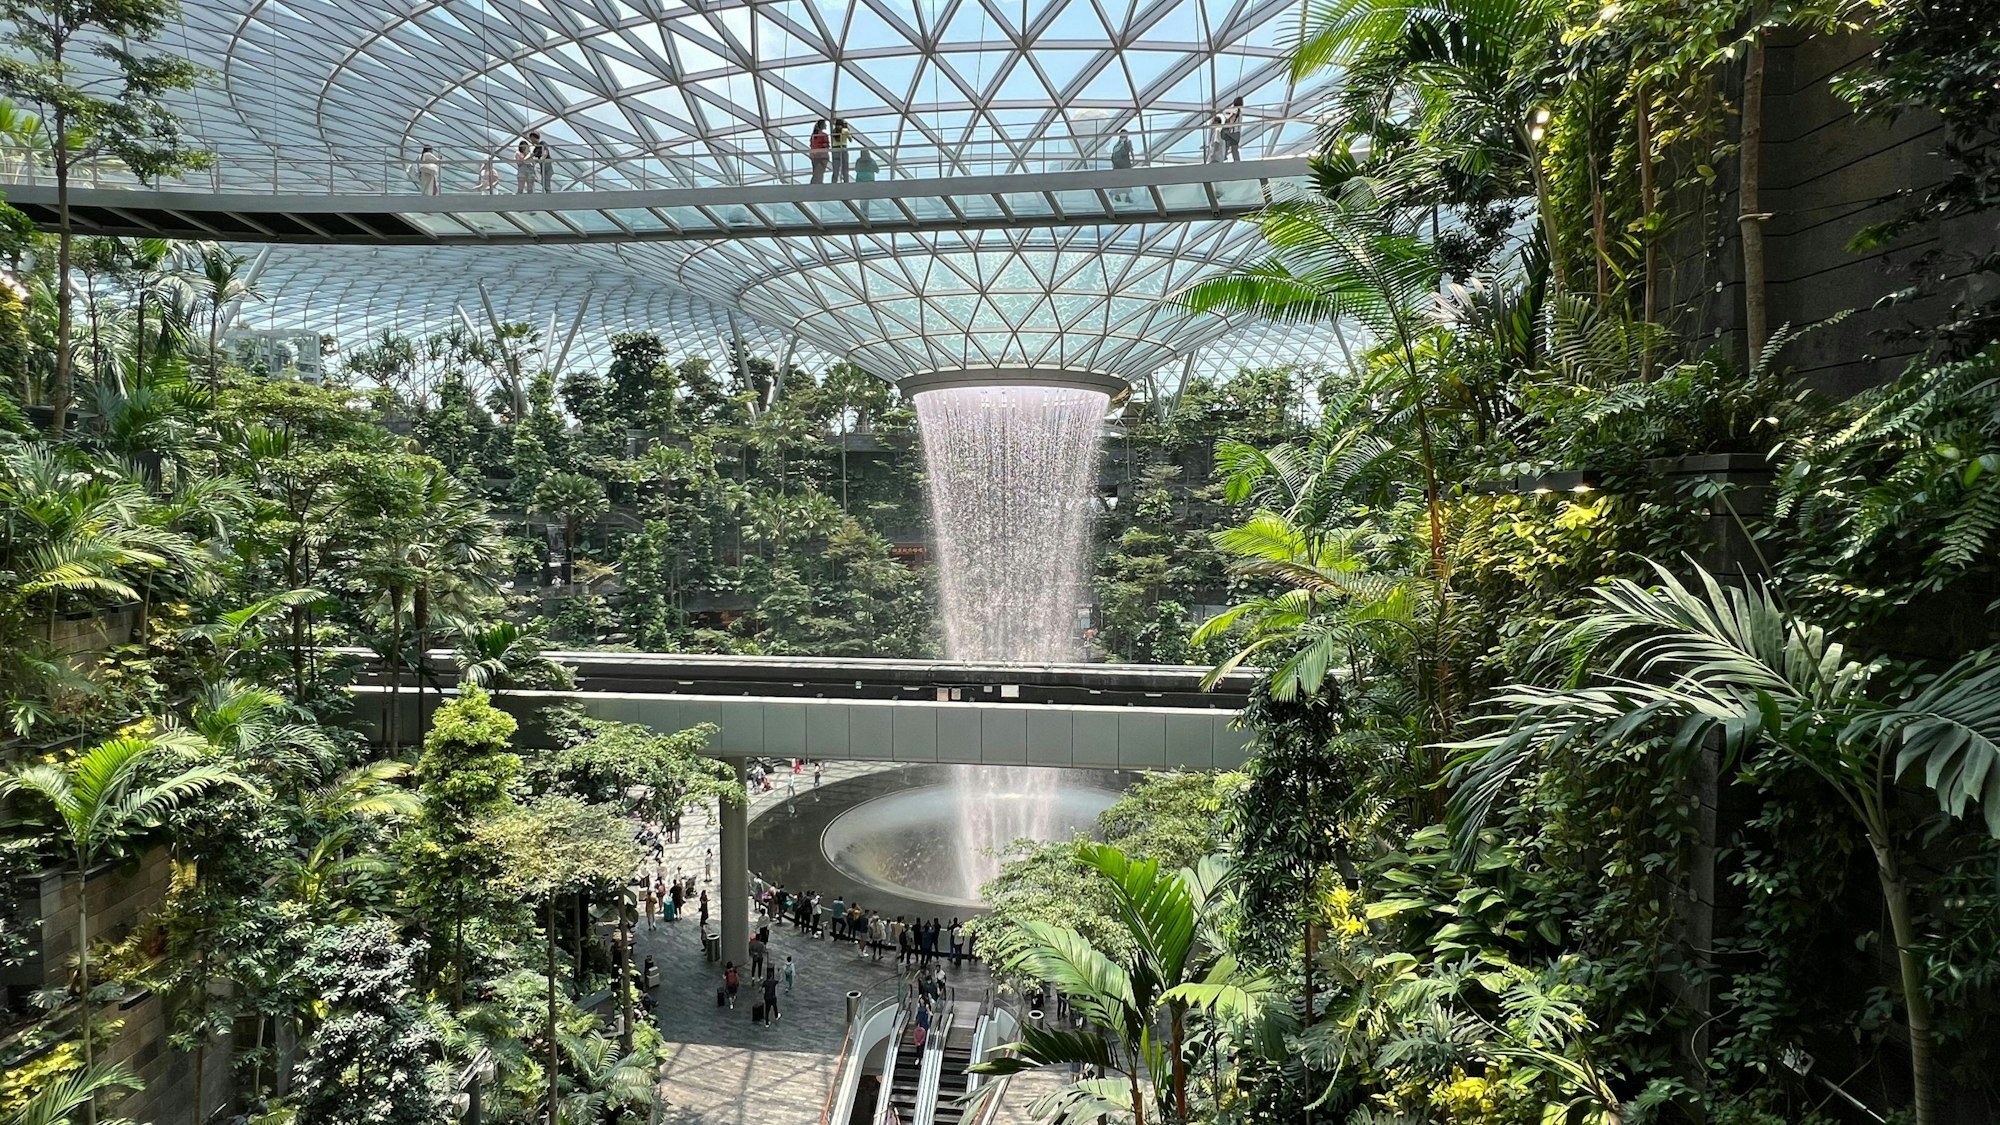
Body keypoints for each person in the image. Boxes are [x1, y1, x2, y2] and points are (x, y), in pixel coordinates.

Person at [1109, 128, 1135, 202]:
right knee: (1126, 180)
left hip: (1118, 166)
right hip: (1124, 164)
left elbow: (1113, 156)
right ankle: (1125, 196)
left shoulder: (1117, 145)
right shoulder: (1126, 143)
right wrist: (1133, 160)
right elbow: (1130, 151)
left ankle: (1118, 195)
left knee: (1120, 180)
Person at [1217, 97, 1244, 161]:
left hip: (1231, 133)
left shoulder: (1234, 111)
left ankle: (1223, 159)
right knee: (1234, 149)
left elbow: (1226, 113)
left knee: (1226, 146)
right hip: (1237, 133)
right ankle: (1237, 161)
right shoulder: (1240, 112)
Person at [808, 119, 830, 184]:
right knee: (820, 172)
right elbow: (827, 145)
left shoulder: (813, 135)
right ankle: (818, 185)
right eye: (825, 124)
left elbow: (812, 145)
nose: (826, 125)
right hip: (822, 156)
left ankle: (814, 185)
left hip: (814, 156)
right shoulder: (823, 135)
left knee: (816, 172)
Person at [831, 119, 851, 183]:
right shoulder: (845, 130)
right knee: (845, 167)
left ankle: (834, 183)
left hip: (835, 149)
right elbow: (850, 139)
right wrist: (847, 129)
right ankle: (846, 182)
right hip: (843, 149)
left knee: (835, 168)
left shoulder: (834, 131)